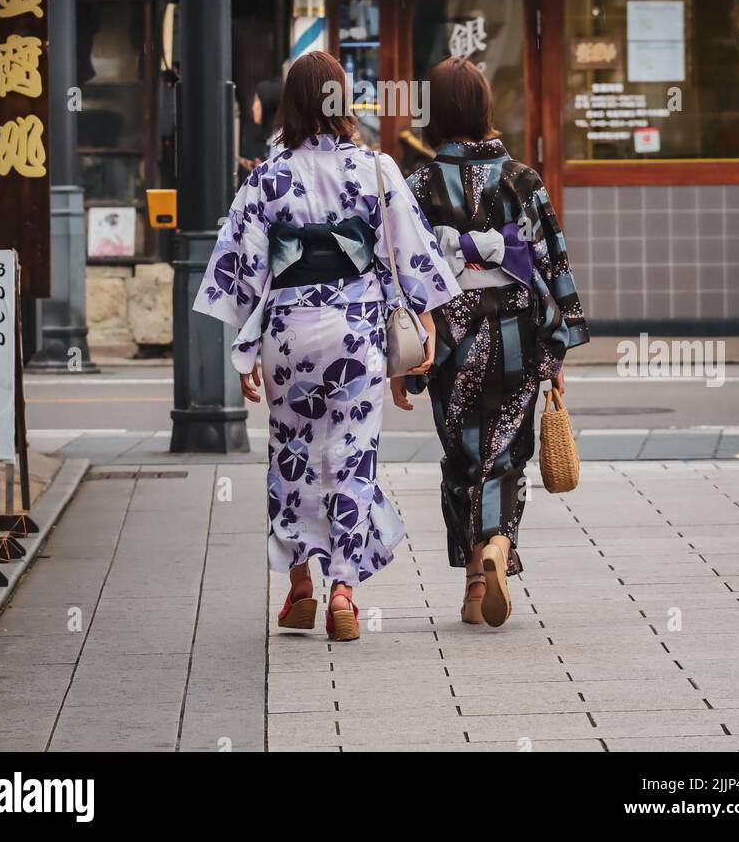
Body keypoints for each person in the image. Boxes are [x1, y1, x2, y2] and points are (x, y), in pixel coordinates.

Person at [193, 50, 460, 643]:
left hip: (288, 334)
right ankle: (344, 589)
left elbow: (243, 273)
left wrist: (244, 355)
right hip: (356, 330)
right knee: (351, 455)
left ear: (290, 104)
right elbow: (411, 253)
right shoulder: (375, 167)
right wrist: (424, 315)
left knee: (290, 454)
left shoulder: (266, 177)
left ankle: (299, 586)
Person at [400, 57, 589, 628]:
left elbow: (404, 271)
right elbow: (551, 262)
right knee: (506, 454)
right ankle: (499, 545)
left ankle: (473, 588)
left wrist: (406, 360)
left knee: (461, 457)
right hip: (515, 332)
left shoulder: (419, 184)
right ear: (484, 108)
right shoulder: (523, 180)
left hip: (450, 337)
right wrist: (555, 348)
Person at [238, 78, 283, 183]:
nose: (253, 107)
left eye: (256, 100)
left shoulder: (281, 142)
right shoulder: (277, 136)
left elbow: (278, 185)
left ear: (267, 103)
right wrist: (261, 169)